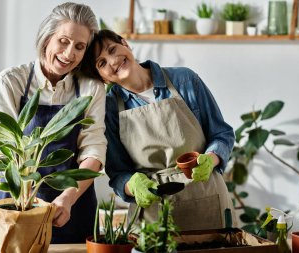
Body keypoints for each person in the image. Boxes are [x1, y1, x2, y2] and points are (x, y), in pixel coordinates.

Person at [81, 29, 236, 231]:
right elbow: (119, 173)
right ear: (102, 78)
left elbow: (221, 134)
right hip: (153, 211)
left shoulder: (185, 80)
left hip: (206, 197)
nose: (112, 61)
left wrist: (211, 158)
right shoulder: (109, 108)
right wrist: (132, 184)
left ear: (125, 44)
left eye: (112, 49)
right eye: (102, 63)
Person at [0, 2, 106, 243]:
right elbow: (0, 146)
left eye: (79, 46)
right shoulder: (12, 82)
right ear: (47, 37)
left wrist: (68, 197)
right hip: (18, 205)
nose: (69, 53)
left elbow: (94, 148)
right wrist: (29, 198)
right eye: (63, 41)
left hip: (74, 206)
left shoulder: (90, 88)